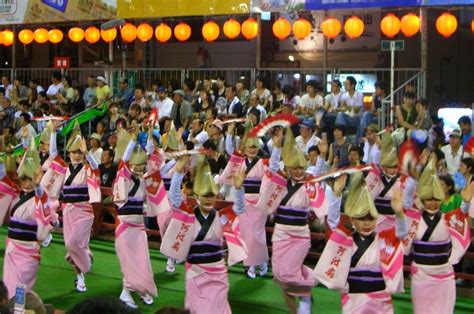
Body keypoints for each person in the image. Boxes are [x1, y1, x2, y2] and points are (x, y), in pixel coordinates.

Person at [162, 155, 247, 314]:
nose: (209, 199)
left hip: (218, 273)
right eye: (205, 195)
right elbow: (174, 198)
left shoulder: (221, 216)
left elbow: (240, 210)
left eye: (212, 196)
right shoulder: (188, 215)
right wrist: (178, 173)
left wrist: (238, 189)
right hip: (196, 272)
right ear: (197, 195)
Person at [314, 172, 406, 314]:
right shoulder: (345, 240)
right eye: (362, 219)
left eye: (371, 219)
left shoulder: (382, 240)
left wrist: (399, 214)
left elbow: (400, 235)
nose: (367, 223)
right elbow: (332, 223)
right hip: (353, 299)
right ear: (352, 220)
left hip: (380, 300)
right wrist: (336, 196)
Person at [258, 128, 326, 314]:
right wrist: (278, 147)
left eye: (301, 168)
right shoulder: (279, 183)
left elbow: (318, 174)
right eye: (294, 168)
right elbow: (272, 169)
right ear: (287, 168)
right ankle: (296, 309)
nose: (298, 171)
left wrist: (321, 157)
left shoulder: (309, 184)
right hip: (281, 233)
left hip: (300, 235)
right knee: (280, 276)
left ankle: (305, 295)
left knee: (289, 272)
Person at [402, 158, 472, 314]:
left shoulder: (448, 219)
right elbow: (403, 241)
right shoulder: (414, 219)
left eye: (435, 199)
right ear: (423, 199)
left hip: (444, 275)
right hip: (421, 274)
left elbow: (462, 216)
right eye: (428, 199)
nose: (432, 203)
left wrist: (466, 205)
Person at [41, 121, 101, 292]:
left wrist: (86, 152)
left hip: (84, 212)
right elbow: (53, 153)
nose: (76, 156)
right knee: (70, 245)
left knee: (73, 243)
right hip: (68, 212)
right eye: (73, 152)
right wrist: (53, 132)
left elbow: (96, 167)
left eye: (78, 153)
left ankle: (86, 264)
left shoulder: (87, 169)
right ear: (69, 153)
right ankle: (80, 277)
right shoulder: (64, 169)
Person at [113, 130, 159, 308]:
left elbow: (151, 155)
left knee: (142, 261)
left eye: (142, 165)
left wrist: (148, 138)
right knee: (129, 263)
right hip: (125, 226)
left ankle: (140, 290)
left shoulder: (143, 180)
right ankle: (126, 293)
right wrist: (132, 142)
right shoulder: (126, 177)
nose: (140, 167)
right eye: (137, 165)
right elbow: (123, 163)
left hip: (139, 227)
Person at [1, 143, 52, 299]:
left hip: (28, 250)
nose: (27, 183)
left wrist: (38, 185)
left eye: (31, 180)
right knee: (8, 284)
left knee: (21, 285)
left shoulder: (40, 196)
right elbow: (3, 178)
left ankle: (19, 309)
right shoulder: (16, 195)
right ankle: (8, 309)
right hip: (12, 249)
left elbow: (41, 197)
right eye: (24, 179)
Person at [221, 123, 271, 278]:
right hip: (243, 201)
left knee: (257, 235)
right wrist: (229, 135)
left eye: (255, 147)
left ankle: (261, 261)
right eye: (249, 147)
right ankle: (251, 265)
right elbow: (228, 160)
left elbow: (268, 183)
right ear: (245, 148)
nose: (252, 150)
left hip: (258, 203)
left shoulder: (263, 163)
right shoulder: (239, 162)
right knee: (246, 235)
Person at [365, 132, 406, 232]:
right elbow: (367, 197)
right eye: (390, 167)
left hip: (395, 220)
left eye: (395, 167)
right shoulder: (376, 178)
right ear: (383, 167)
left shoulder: (402, 180)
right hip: (377, 220)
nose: (393, 170)